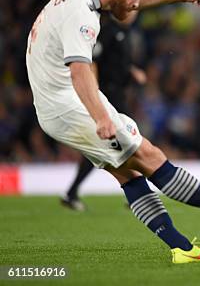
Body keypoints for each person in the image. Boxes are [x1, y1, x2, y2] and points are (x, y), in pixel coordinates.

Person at [26, 0, 200, 264]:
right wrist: (102, 117)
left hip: (56, 106)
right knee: (150, 157)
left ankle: (182, 249)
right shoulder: (83, 16)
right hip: (70, 104)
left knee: (128, 173)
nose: (135, 6)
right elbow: (80, 71)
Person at [61, 11, 146, 211]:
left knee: (106, 145)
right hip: (108, 96)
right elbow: (92, 60)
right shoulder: (108, 31)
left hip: (117, 94)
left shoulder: (123, 32)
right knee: (128, 139)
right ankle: (138, 194)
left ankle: (72, 192)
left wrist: (132, 71)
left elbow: (116, 61)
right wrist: (95, 94)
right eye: (131, 8)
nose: (133, 12)